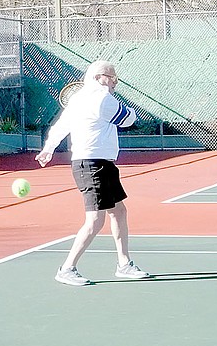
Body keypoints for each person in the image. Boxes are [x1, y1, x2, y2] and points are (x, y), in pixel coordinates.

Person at [35, 60, 150, 286]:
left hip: (101, 162)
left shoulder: (78, 99)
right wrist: (128, 109)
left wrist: (48, 148)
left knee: (118, 211)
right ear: (99, 77)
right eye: (112, 77)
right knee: (95, 221)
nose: (115, 82)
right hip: (91, 164)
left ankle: (124, 264)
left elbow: (61, 126)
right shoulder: (102, 98)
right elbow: (128, 120)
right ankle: (67, 269)